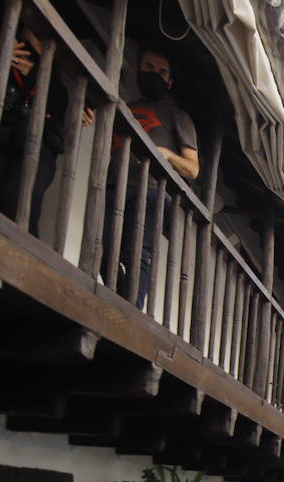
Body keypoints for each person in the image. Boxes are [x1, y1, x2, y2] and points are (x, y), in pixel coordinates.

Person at [0, 13, 93, 236]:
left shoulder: (57, 86)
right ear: (25, 28)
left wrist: (74, 115)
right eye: (37, 32)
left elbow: (60, 126)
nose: (40, 40)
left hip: (27, 151)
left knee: (19, 207)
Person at [115, 47, 200, 309]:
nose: (155, 74)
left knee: (138, 252)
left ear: (170, 81)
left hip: (152, 191)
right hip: (114, 185)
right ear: (138, 69)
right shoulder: (125, 110)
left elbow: (192, 169)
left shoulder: (178, 117)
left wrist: (165, 154)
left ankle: (132, 309)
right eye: (149, 68)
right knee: (105, 245)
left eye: (162, 72)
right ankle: (120, 300)